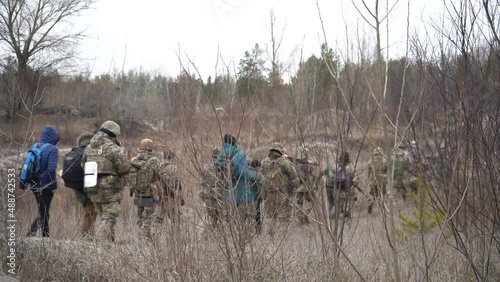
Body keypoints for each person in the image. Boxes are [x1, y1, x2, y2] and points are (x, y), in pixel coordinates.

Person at [81, 120, 131, 242]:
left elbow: (83, 165)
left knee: (104, 216)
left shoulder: (89, 147)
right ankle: (100, 243)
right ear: (113, 134)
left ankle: (109, 244)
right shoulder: (113, 148)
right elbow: (124, 168)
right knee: (110, 217)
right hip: (111, 188)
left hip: (93, 187)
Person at [21, 125, 60, 237]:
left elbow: (25, 165)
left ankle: (43, 236)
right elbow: (51, 170)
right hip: (46, 186)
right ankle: (34, 235)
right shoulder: (52, 149)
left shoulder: (34, 146)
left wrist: (22, 184)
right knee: (44, 212)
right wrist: (53, 186)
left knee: (43, 211)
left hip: (33, 185)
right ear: (54, 137)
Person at [215, 134, 259, 224]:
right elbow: (242, 172)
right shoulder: (239, 154)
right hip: (240, 192)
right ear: (234, 142)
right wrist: (255, 175)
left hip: (226, 192)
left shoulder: (220, 155)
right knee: (246, 221)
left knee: (229, 220)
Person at [260, 142, 300, 236]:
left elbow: (261, 177)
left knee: (270, 217)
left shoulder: (264, 162)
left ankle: (270, 238)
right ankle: (281, 240)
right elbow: (295, 179)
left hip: (269, 195)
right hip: (283, 195)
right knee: (284, 219)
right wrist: (293, 190)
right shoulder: (285, 162)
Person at [64, 133, 97, 237]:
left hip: (77, 187)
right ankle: (86, 236)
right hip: (87, 187)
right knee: (90, 213)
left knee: (89, 212)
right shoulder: (89, 152)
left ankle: (89, 236)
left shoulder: (75, 151)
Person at [129, 139, 161, 239]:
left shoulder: (134, 160)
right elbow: (158, 175)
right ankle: (142, 239)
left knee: (140, 217)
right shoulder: (154, 160)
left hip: (137, 193)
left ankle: (146, 238)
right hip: (150, 193)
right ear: (151, 147)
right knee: (147, 217)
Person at [199, 147, 225, 228]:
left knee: (212, 220)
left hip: (209, 198)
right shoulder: (225, 168)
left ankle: (209, 238)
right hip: (221, 198)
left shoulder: (206, 168)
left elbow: (201, 183)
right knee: (223, 222)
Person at [295, 146, 321, 224]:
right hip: (307, 186)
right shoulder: (310, 164)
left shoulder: (297, 164)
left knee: (299, 202)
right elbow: (314, 175)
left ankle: (300, 218)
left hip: (299, 186)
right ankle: (305, 214)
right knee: (311, 201)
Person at [157, 148, 184, 224]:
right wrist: (181, 198)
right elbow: (178, 185)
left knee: (159, 217)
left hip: (159, 196)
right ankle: (174, 234)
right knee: (175, 220)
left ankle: (156, 231)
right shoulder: (174, 168)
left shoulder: (158, 167)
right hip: (170, 196)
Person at [332, 151, 360, 219]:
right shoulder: (350, 166)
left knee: (341, 202)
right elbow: (356, 176)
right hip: (348, 187)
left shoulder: (337, 166)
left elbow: (333, 175)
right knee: (351, 200)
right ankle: (345, 213)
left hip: (339, 188)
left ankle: (343, 213)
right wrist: (354, 184)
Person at [367, 147, 387, 214]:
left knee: (372, 194)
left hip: (373, 181)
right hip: (382, 180)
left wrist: (370, 178)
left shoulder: (371, 160)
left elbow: (368, 172)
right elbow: (387, 170)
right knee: (382, 194)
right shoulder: (384, 160)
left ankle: (370, 203)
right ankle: (382, 208)